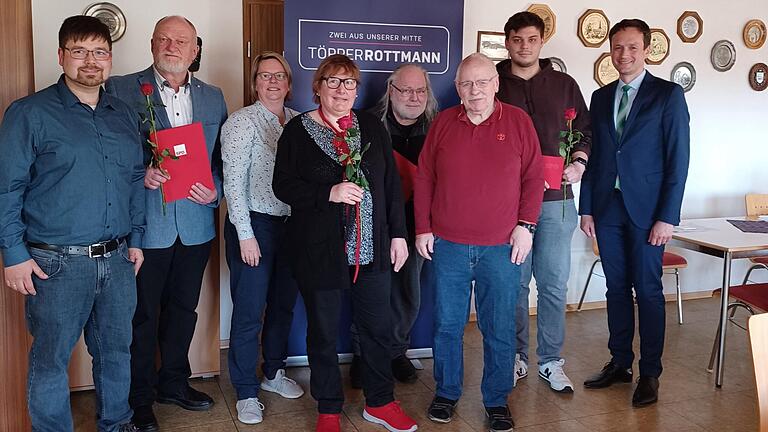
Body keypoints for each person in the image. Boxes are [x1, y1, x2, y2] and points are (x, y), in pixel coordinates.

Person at [0, 15, 145, 432]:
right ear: (61, 55)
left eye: (99, 52)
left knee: (117, 352)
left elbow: (134, 179)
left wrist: (135, 240)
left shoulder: (123, 115)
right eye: (79, 51)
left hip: (118, 260)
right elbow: (7, 187)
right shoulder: (29, 113)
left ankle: (116, 424)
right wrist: (13, 255)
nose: (90, 61)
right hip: (56, 265)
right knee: (51, 360)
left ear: (110, 59)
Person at [273, 54, 418, 432]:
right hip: (321, 253)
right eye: (332, 82)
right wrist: (329, 192)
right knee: (322, 332)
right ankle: (329, 409)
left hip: (372, 248)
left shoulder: (371, 127)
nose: (341, 90)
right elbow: (282, 186)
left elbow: (390, 186)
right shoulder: (298, 131)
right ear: (317, 87)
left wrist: (399, 235)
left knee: (377, 328)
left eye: (349, 82)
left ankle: (380, 402)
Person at [106, 15, 228, 431]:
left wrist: (217, 191)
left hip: (196, 224)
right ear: (152, 44)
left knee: (184, 310)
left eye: (181, 41)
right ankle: (139, 399)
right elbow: (108, 152)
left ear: (196, 49)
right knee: (140, 315)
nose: (172, 46)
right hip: (145, 226)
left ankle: (174, 382)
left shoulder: (214, 96)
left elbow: (220, 161)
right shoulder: (121, 89)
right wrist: (140, 173)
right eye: (164, 39)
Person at [415, 53, 543, 432]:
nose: (475, 91)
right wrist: (423, 227)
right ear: (457, 88)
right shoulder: (442, 123)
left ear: (496, 84)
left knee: (499, 327)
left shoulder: (519, 122)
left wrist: (527, 225)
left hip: (502, 247)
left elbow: (534, 178)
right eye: (467, 84)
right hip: (449, 246)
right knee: (447, 326)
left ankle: (496, 400)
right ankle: (447, 392)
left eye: (482, 82)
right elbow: (424, 178)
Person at [579, 18, 690, 407]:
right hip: (608, 210)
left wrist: (668, 216)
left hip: (649, 213)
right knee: (615, 289)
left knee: (648, 291)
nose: (623, 55)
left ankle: (650, 373)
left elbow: (678, 160)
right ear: (610, 51)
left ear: (647, 50)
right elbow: (595, 158)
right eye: (617, 47)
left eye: (632, 47)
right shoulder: (600, 96)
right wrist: (587, 208)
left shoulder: (668, 95)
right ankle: (620, 363)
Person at [496, 11, 592, 393]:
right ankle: (518, 356)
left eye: (532, 39)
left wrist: (580, 163)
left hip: (556, 201)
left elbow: (584, 130)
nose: (524, 46)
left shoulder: (564, 83)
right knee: (514, 285)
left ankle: (550, 361)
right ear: (507, 41)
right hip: (508, 203)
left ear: (541, 42)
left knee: (552, 284)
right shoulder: (493, 82)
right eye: (517, 39)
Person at [221, 51, 304, 425]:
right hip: (254, 225)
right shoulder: (240, 123)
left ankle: (272, 373)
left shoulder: (303, 121)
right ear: (255, 82)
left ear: (289, 83)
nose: (272, 82)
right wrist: (245, 234)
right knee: (250, 310)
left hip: (291, 227)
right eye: (264, 76)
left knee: (283, 305)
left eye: (279, 76)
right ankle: (245, 390)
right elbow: (233, 186)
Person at [348, 63, 438, 387]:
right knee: (370, 293)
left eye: (420, 90)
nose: (413, 97)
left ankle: (396, 351)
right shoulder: (366, 125)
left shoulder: (436, 129)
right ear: (391, 91)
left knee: (407, 293)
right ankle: (363, 355)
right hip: (373, 225)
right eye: (406, 90)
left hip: (418, 226)